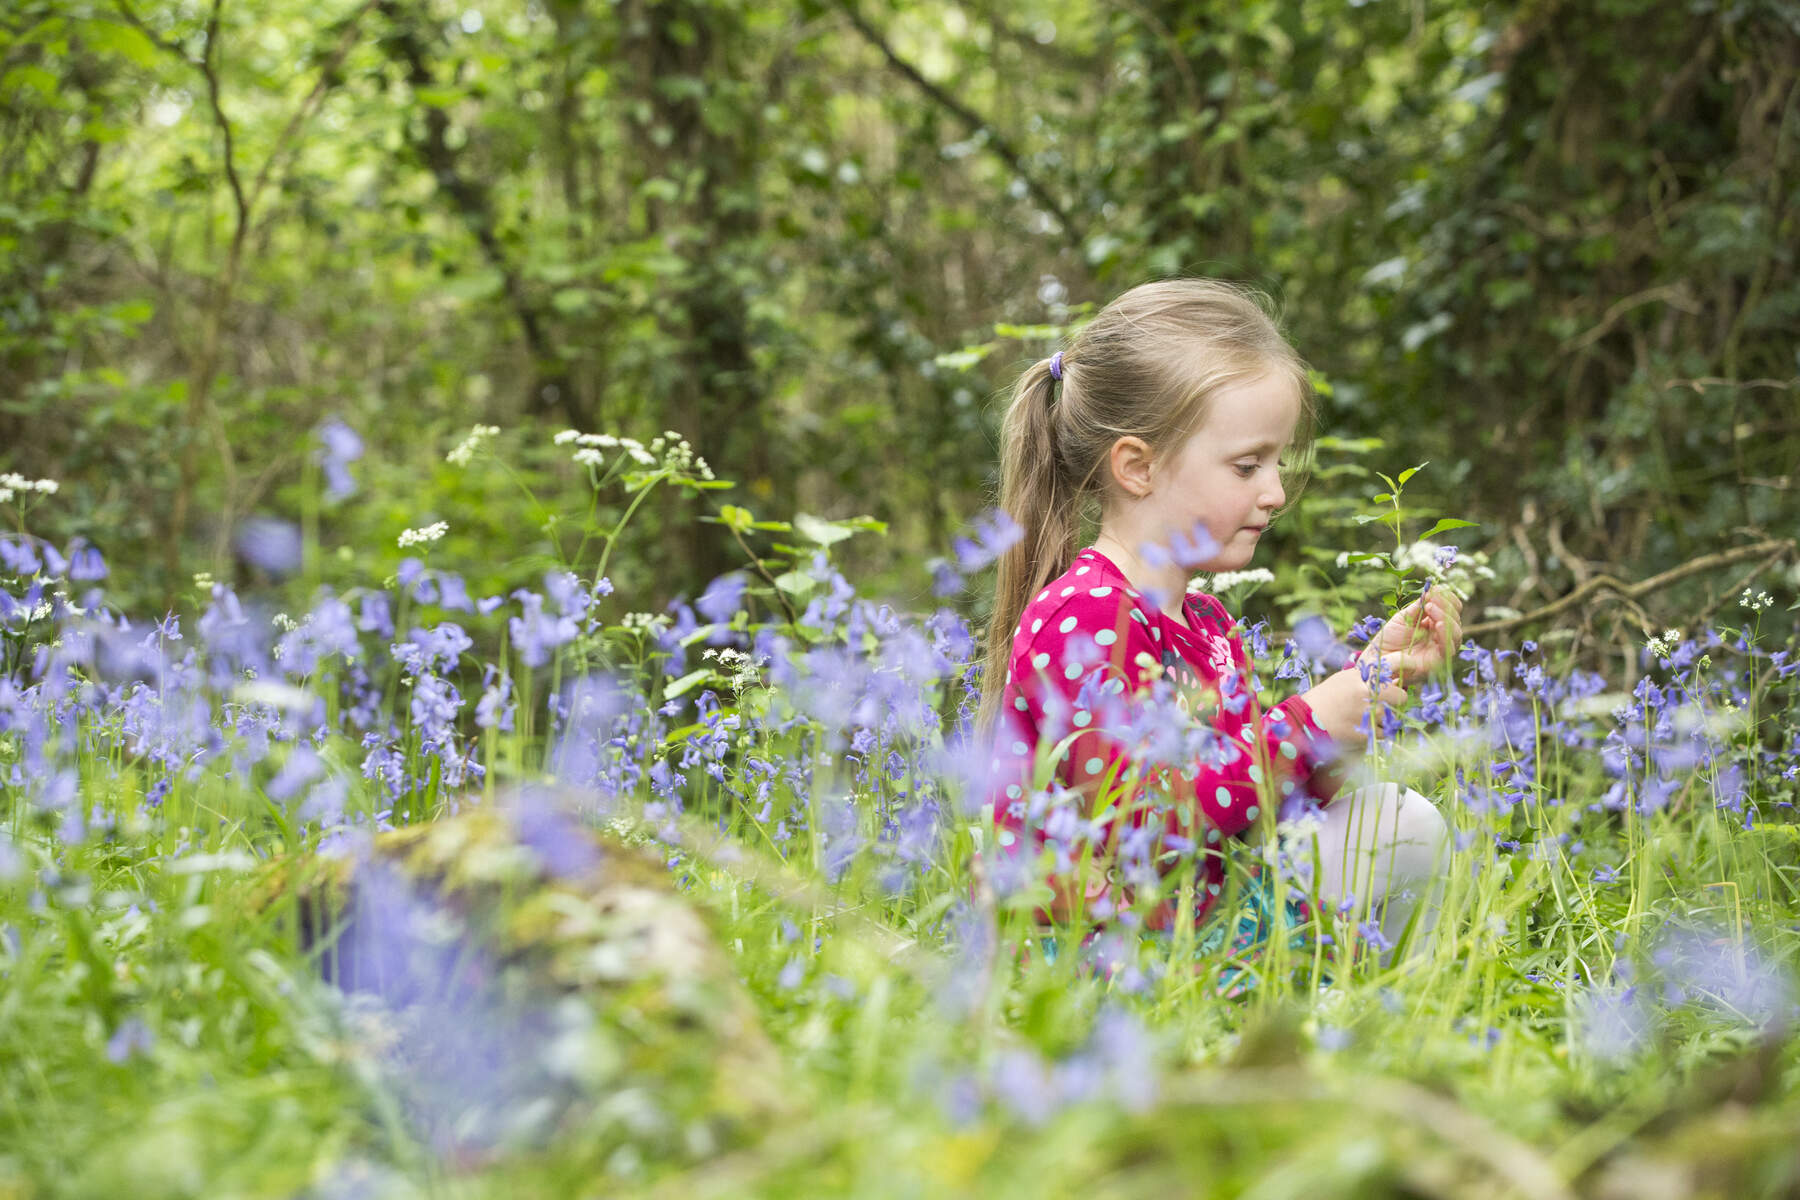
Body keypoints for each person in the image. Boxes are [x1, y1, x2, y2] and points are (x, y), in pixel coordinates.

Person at [974, 278, 1463, 975]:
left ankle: (1354, 1038)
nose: (1273, 492)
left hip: (1194, 925)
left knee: (1398, 820)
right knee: (1403, 829)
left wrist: (1360, 696)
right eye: (1246, 466)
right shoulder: (1083, 617)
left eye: (1277, 463)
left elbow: (1249, 808)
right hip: (1097, 959)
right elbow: (1148, 823)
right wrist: (1304, 724)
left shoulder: (1202, 621)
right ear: (1138, 467)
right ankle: (1318, 1034)